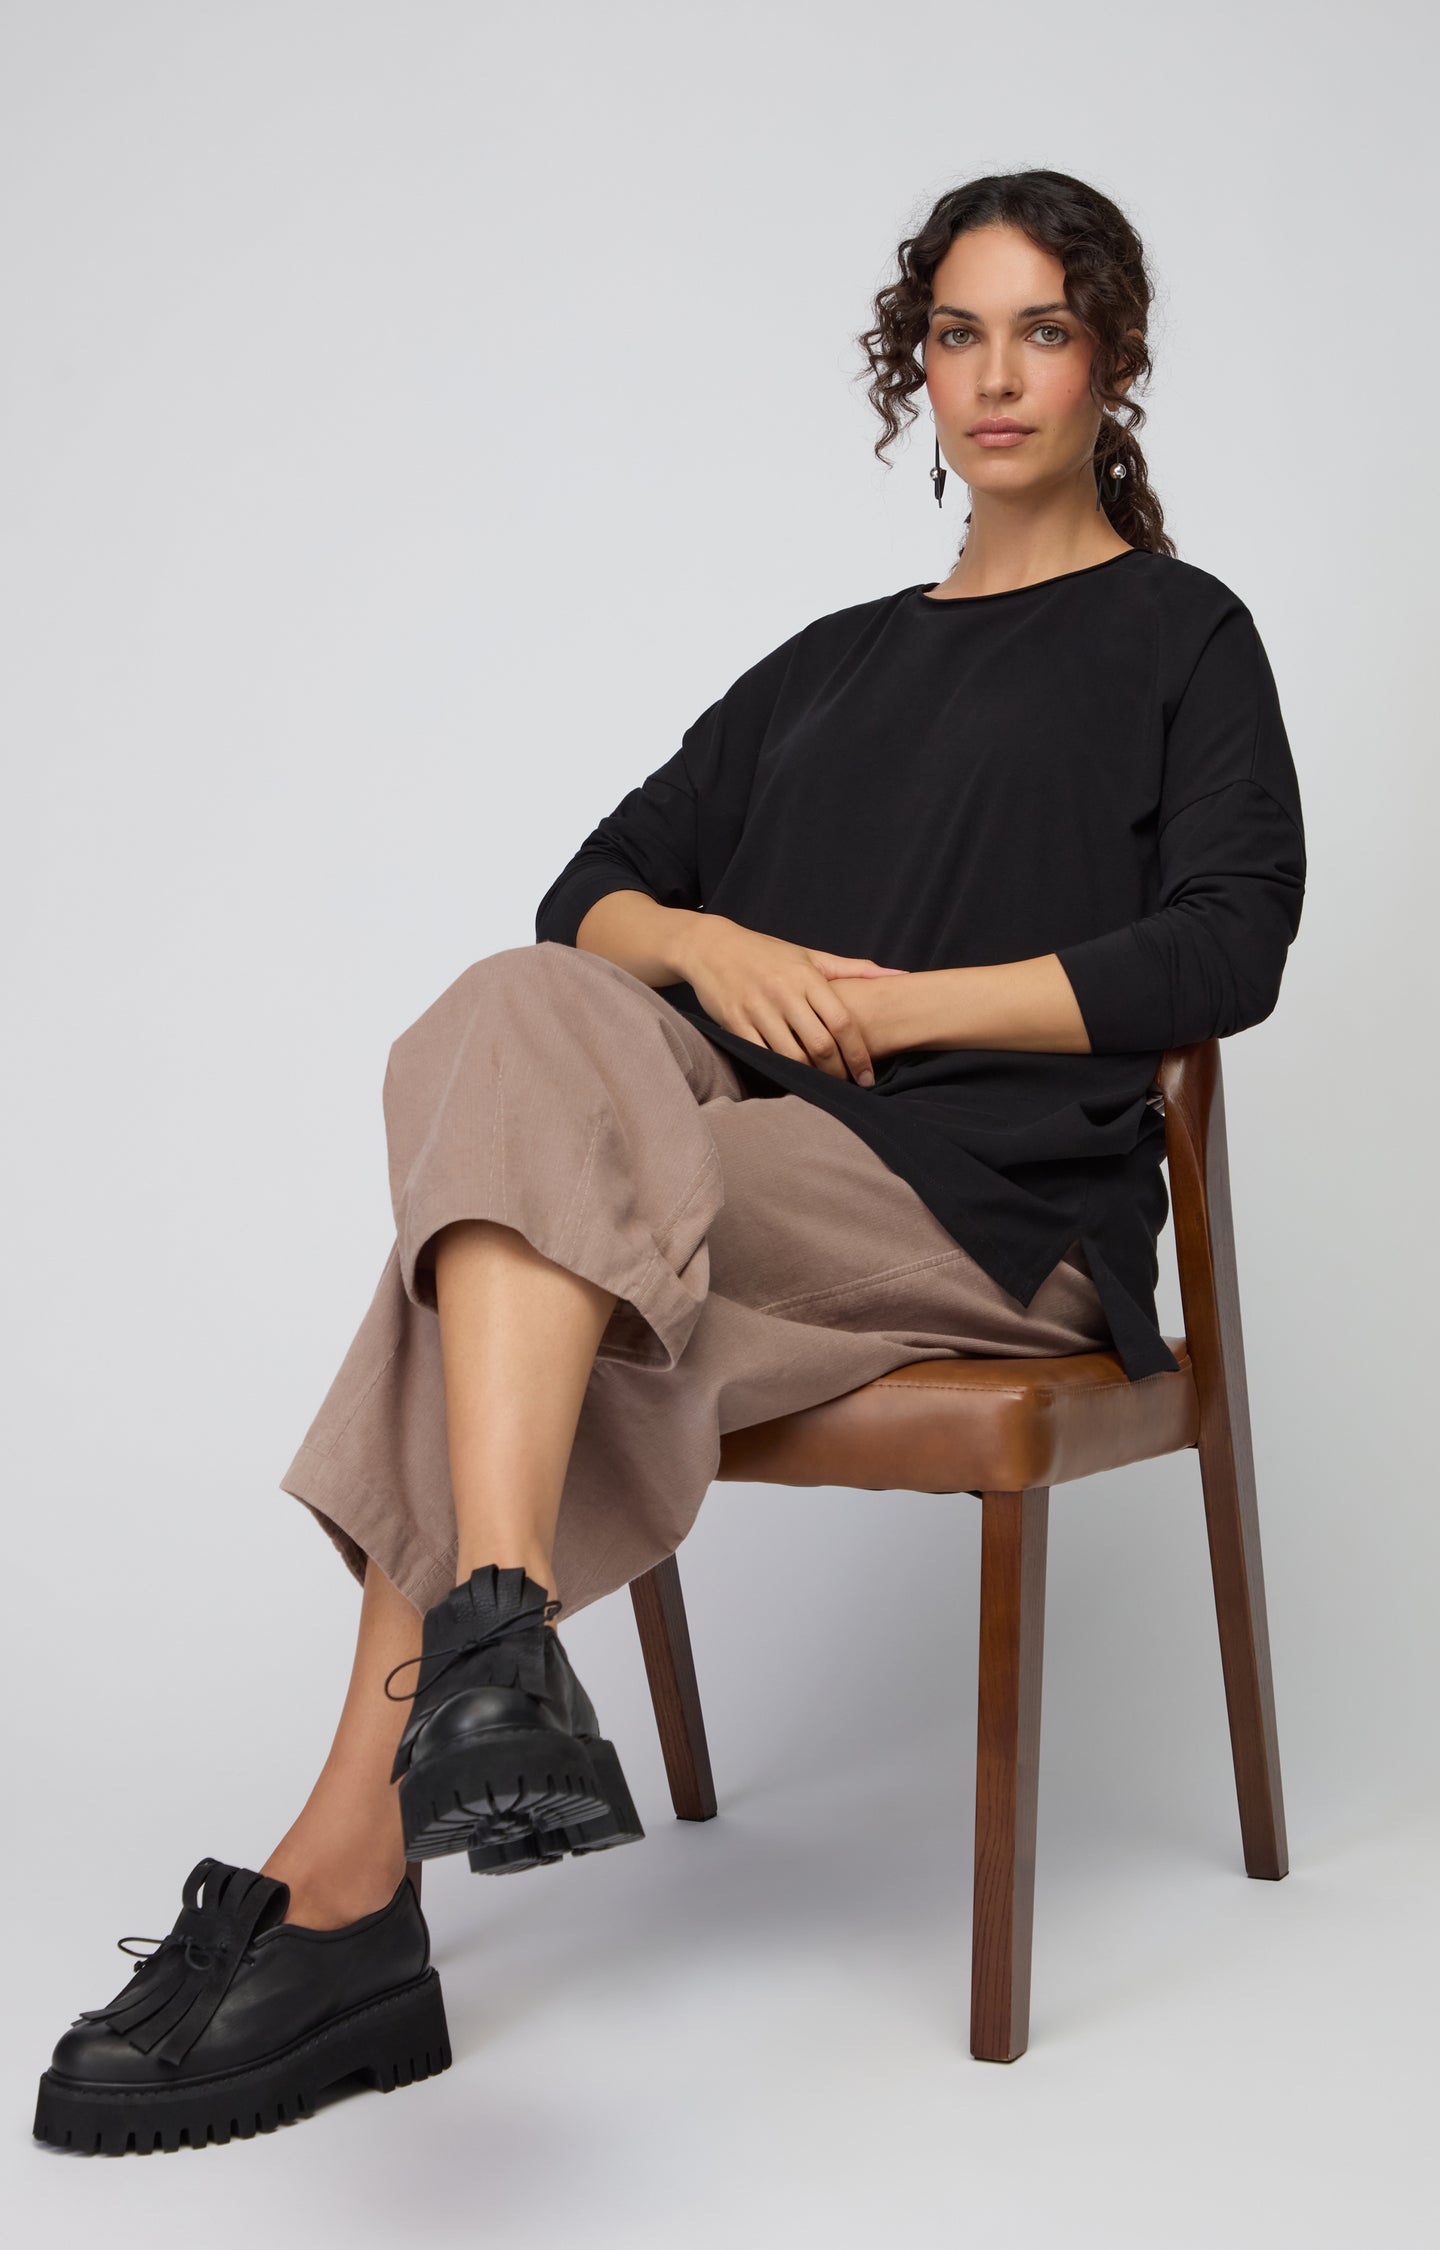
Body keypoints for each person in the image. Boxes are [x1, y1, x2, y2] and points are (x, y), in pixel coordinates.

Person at [33, 167, 1306, 2154]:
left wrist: (903, 1010)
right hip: (739, 1177)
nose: (995, 377)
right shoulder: (829, 664)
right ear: (917, 364)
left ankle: (345, 1885)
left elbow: (1234, 943)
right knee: (516, 1012)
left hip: (980, 1207)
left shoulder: (1180, 634)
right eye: (957, 334)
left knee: (492, 1261)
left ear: (1111, 359)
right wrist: (707, 946)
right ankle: (497, 1642)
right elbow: (589, 895)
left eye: (1040, 330)